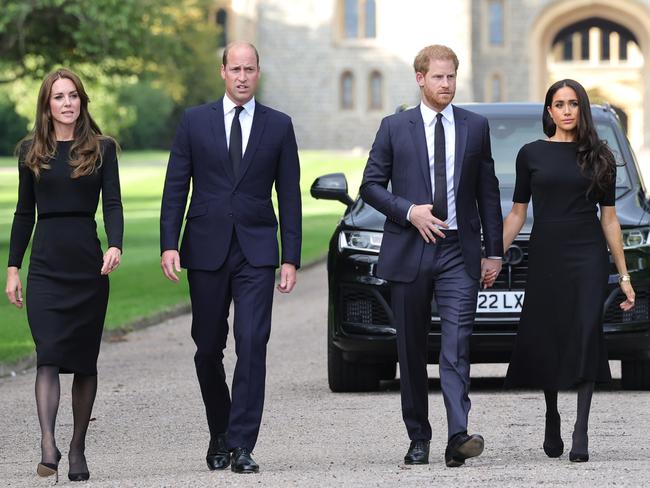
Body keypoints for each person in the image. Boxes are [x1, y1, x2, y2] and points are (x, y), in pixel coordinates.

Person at [159, 41, 301, 474]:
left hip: (257, 250)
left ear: (259, 73)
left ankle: (241, 443)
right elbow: (175, 186)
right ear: (222, 71)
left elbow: (290, 196)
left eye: (249, 69)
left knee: (253, 343)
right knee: (207, 348)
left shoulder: (278, 125)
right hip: (205, 248)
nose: (242, 76)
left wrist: (290, 256)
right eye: (235, 68)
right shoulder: (194, 121)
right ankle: (219, 430)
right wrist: (169, 243)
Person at [360, 45, 503, 467]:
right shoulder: (393, 127)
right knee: (411, 348)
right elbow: (370, 185)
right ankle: (418, 436)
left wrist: (492, 252)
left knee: (456, 345)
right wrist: (408, 211)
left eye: (452, 77)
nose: (447, 85)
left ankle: (458, 435)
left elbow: (487, 192)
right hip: (411, 248)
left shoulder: (475, 127)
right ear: (420, 78)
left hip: (459, 250)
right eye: (439, 77)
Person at [499, 79, 635, 462]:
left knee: (586, 331)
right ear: (549, 111)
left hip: (588, 254)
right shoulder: (530, 154)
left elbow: (610, 220)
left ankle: (581, 429)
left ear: (582, 109)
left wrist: (624, 276)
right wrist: (492, 256)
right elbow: (517, 213)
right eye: (559, 104)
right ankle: (552, 413)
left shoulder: (600, 156)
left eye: (573, 103)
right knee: (550, 333)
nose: (566, 110)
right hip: (547, 252)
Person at [5, 69, 123, 482]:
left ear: (82, 101)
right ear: (47, 105)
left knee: (85, 362)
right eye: (58, 97)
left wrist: (115, 244)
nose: (67, 103)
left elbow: (113, 204)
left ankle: (77, 449)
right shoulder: (30, 152)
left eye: (73, 95)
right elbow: (23, 214)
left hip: (87, 267)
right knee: (48, 356)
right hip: (46, 268)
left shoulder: (102, 149)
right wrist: (13, 268)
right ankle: (48, 445)